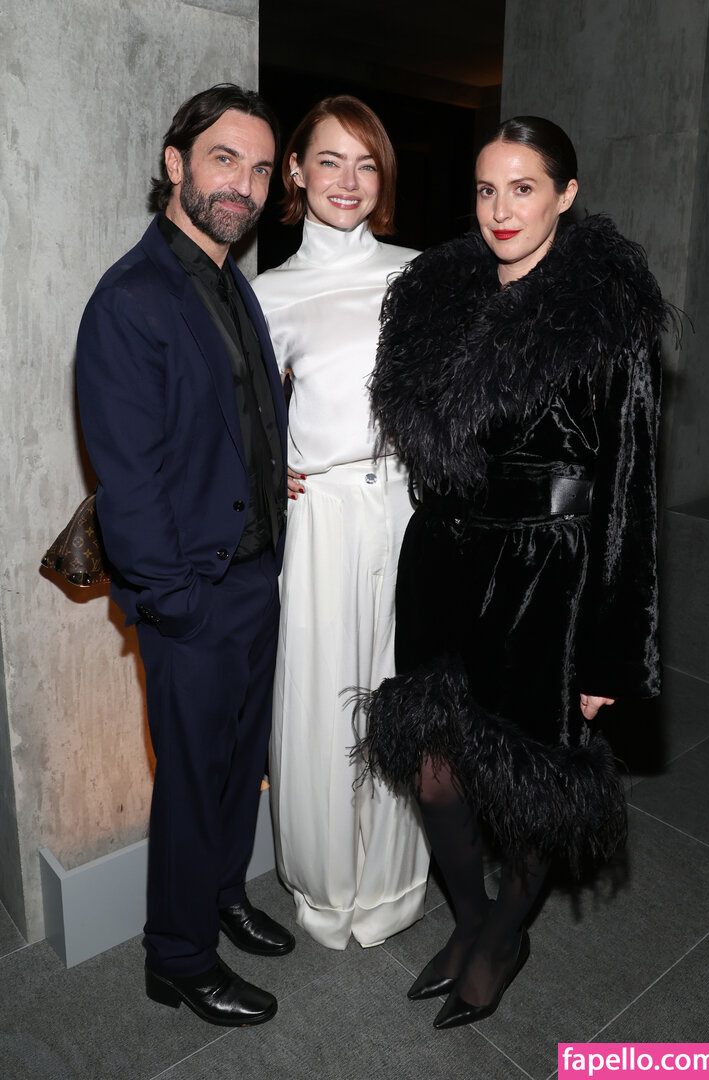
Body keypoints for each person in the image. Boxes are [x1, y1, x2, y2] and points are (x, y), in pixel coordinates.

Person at [356, 116, 672, 1028]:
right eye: (487, 189)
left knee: (531, 781)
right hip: (444, 563)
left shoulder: (606, 318)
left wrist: (613, 655)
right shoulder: (437, 301)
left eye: (523, 188)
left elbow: (631, 492)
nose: (501, 209)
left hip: (546, 579)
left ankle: (501, 940)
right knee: (435, 768)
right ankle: (472, 918)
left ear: (565, 196)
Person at [76, 84, 296, 1027]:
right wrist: (179, 605)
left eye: (259, 169)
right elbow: (127, 482)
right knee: (193, 779)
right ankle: (177, 955)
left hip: (253, 578)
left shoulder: (232, 280)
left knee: (240, 765)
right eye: (223, 159)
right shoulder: (131, 298)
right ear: (177, 164)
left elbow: (229, 419)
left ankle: (222, 895)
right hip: (192, 596)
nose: (243, 185)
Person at [252, 96, 430, 950]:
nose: (348, 181)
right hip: (319, 515)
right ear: (296, 170)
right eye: (329, 160)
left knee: (400, 692)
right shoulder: (269, 292)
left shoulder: (421, 273)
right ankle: (325, 891)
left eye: (366, 163)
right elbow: (236, 414)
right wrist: (266, 468)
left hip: (408, 505)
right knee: (322, 700)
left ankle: (394, 883)